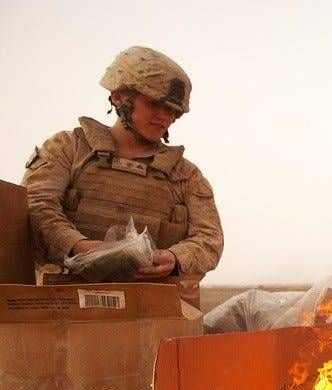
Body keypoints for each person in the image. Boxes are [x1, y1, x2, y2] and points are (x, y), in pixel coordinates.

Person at [23, 46, 223, 282]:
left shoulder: (186, 175)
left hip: (150, 299)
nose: (164, 116)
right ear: (119, 97)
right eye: (153, 103)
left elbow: (209, 239)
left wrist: (174, 257)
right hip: (64, 295)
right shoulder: (67, 148)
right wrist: (79, 246)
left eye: (172, 110)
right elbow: (35, 205)